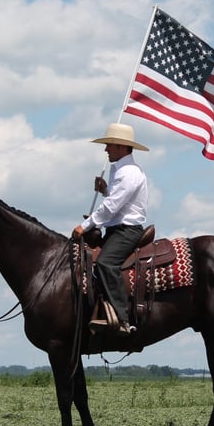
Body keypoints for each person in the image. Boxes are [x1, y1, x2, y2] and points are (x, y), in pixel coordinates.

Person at [72, 123, 149, 335]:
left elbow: (111, 208)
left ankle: (123, 319)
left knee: (106, 263)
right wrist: (106, 190)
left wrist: (85, 226)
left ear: (122, 147)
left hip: (127, 231)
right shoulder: (122, 172)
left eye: (109, 145)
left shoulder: (128, 173)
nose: (106, 149)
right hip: (118, 229)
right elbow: (116, 202)